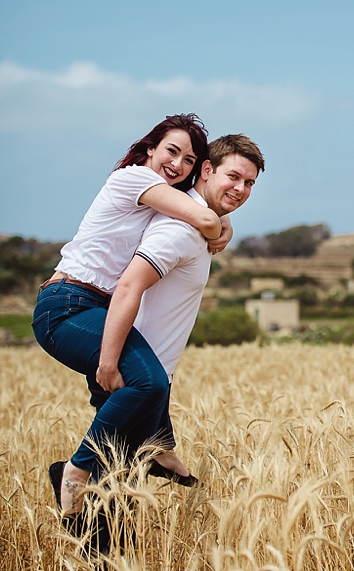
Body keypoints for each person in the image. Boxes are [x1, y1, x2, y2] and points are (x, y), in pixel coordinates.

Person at [33, 114, 232, 516]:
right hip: (67, 304)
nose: (178, 165)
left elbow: (209, 216)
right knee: (148, 381)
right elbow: (207, 218)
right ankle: (74, 470)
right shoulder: (132, 178)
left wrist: (221, 223)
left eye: (189, 161)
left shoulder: (159, 202)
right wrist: (219, 227)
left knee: (142, 387)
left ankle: (158, 448)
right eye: (172, 152)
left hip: (95, 307)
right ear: (149, 149)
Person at [99, 133, 264, 484]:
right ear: (207, 170)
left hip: (153, 378)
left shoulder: (201, 225)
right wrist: (110, 362)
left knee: (120, 493)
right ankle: (67, 477)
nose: (241, 188)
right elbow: (130, 285)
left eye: (249, 182)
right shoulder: (180, 230)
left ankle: (159, 449)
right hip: (135, 377)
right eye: (233, 176)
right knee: (109, 492)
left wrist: (222, 223)